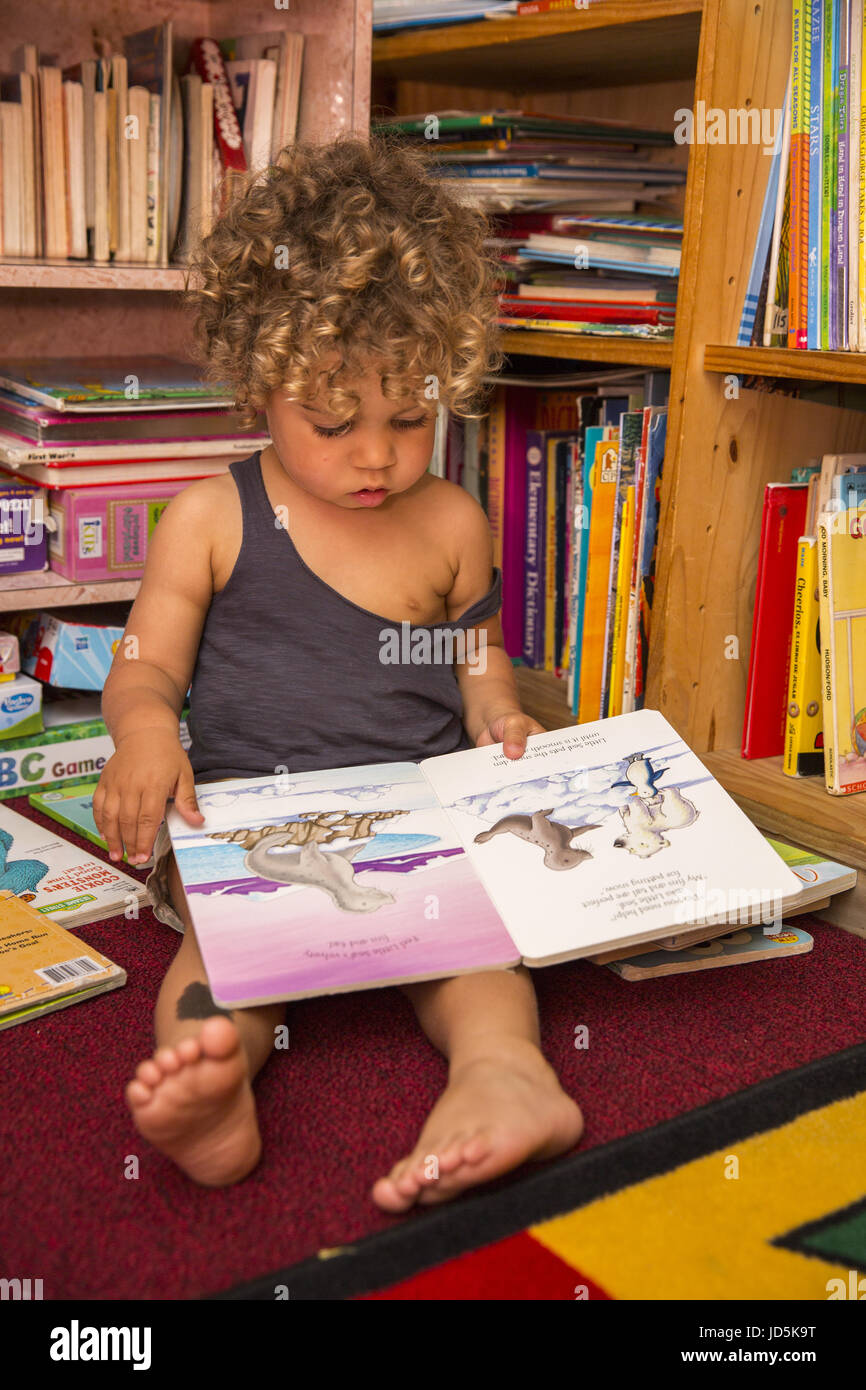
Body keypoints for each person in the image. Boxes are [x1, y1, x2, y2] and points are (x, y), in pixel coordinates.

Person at [94, 132, 583, 1209]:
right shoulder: (210, 519)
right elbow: (144, 665)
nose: (375, 454)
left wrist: (500, 717)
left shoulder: (452, 520)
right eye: (333, 420)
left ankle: (504, 1075)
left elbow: (474, 658)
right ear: (258, 384)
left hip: (418, 822)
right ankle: (212, 1090)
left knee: (476, 959)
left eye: (409, 418)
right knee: (224, 967)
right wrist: (141, 733)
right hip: (253, 834)